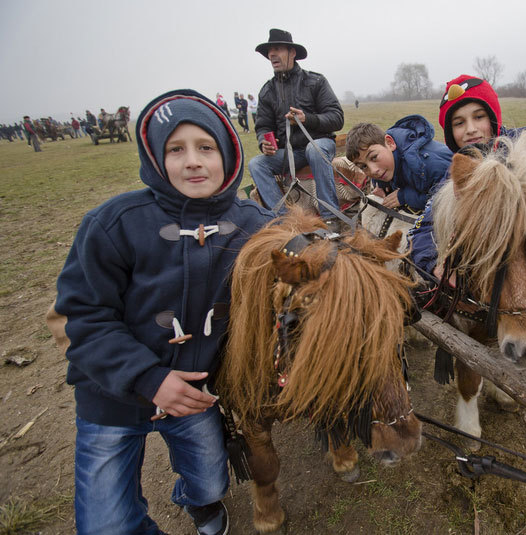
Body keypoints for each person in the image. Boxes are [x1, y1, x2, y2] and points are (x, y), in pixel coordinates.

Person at [54, 89, 271, 535]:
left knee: (211, 482)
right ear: (155, 156)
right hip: (110, 396)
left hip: (194, 396)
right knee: (107, 526)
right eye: (176, 149)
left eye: (205, 147)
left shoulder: (252, 223)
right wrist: (148, 379)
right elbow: (82, 318)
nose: (193, 161)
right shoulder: (112, 224)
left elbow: (300, 244)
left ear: (229, 153)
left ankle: (198, 502)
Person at [408, 75, 526, 275]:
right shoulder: (453, 176)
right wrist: (434, 265)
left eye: (479, 117)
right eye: (459, 123)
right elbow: (422, 229)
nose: (471, 129)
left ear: (493, 117)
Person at [249, 28, 344, 230]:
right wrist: (263, 142)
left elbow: (337, 118)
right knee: (256, 163)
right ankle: (285, 221)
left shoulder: (316, 81)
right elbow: (263, 125)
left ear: (292, 53)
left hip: (320, 145)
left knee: (314, 149)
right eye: (269, 51)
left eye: (277, 49)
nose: (272, 54)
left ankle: (330, 216)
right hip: (289, 153)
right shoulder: (267, 91)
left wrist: (306, 118)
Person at [345, 116, 452, 213]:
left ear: (390, 143)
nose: (373, 171)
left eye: (374, 157)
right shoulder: (387, 160)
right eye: (364, 166)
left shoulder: (429, 164)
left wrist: (405, 196)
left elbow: (447, 200)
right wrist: (381, 184)